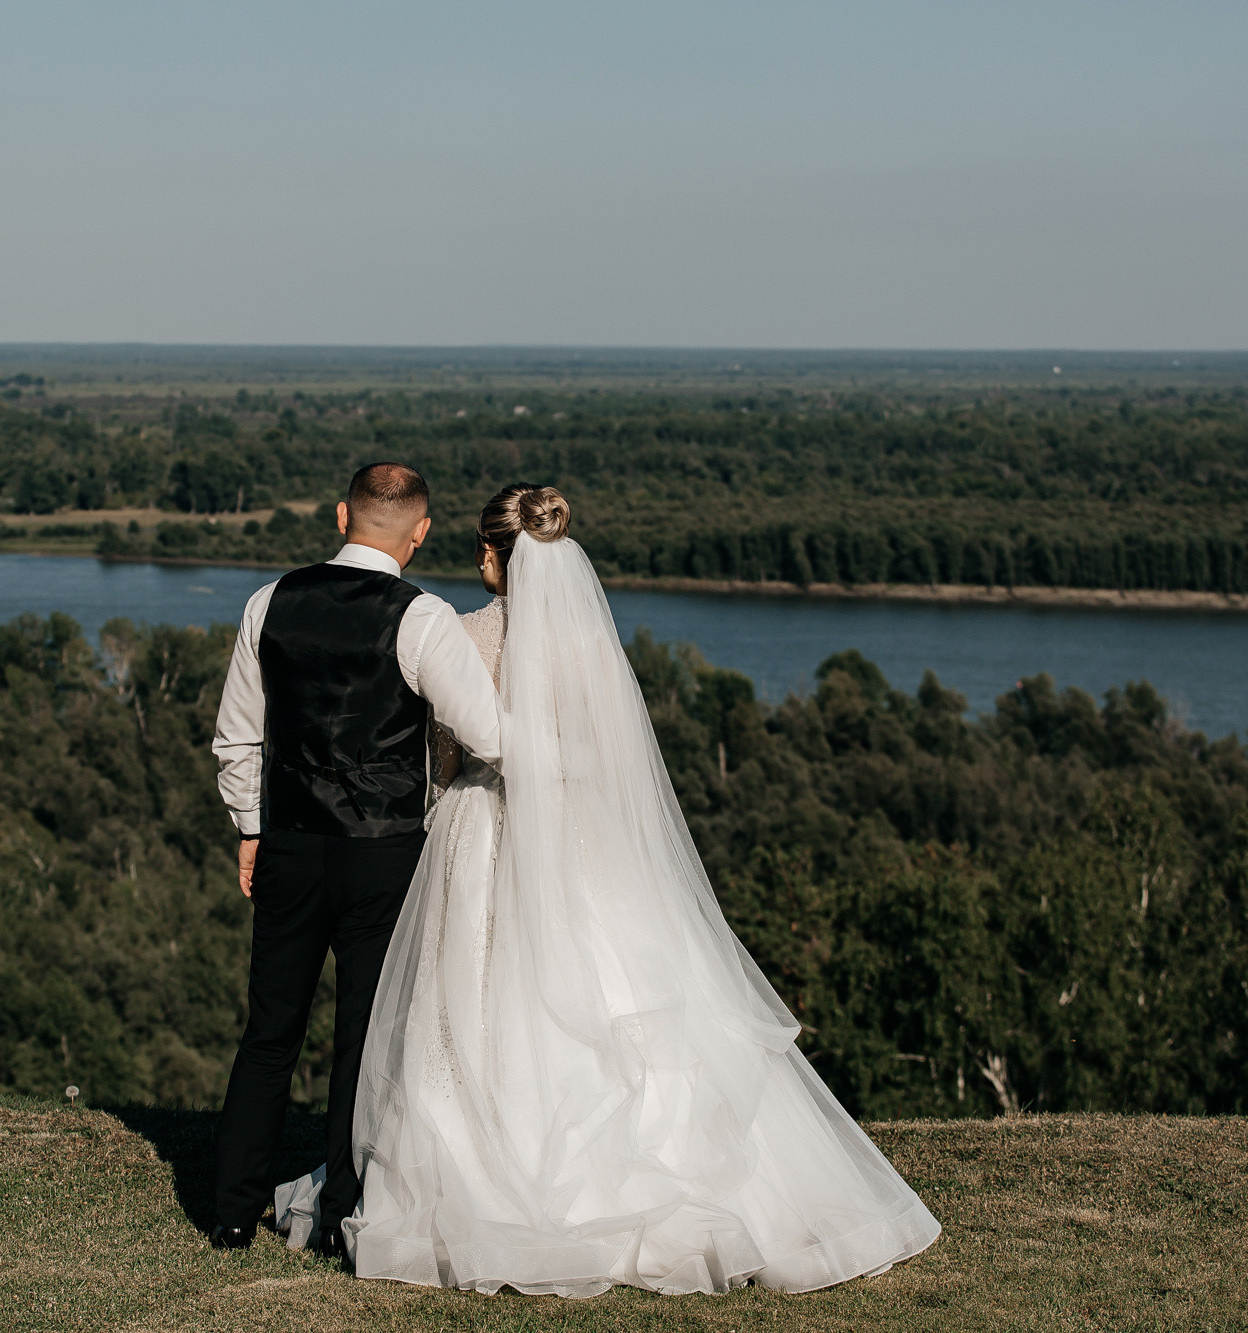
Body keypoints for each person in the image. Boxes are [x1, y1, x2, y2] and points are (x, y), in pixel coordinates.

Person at [279, 483, 942, 1296]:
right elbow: (609, 758)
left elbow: (445, 758)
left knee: (474, 1006)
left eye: (482, 551)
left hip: (483, 829)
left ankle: (478, 1174)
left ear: (494, 557)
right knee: (614, 986)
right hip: (587, 846)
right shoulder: (594, 646)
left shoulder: (466, 632)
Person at [209, 461, 501, 1256]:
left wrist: (251, 825)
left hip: (292, 846)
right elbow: (489, 733)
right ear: (420, 532)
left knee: (270, 1029)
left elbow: (238, 734)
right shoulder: (424, 617)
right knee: (364, 1038)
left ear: (342, 515)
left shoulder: (269, 601)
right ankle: (341, 1209)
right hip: (384, 855)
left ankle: (233, 1209)